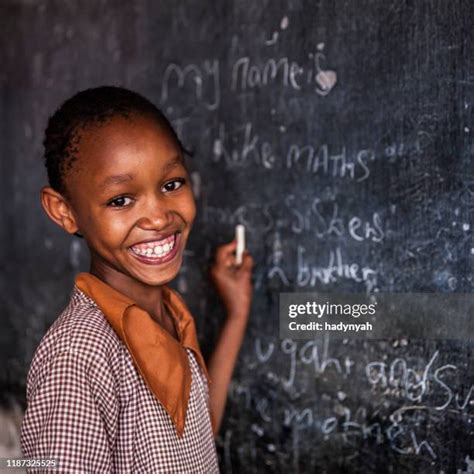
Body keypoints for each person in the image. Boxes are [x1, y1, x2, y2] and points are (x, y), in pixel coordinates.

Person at [20, 86, 253, 473]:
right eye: (120, 200)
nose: (159, 217)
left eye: (171, 184)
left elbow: (193, 438)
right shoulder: (78, 357)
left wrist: (237, 315)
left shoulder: (170, 314)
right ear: (64, 211)